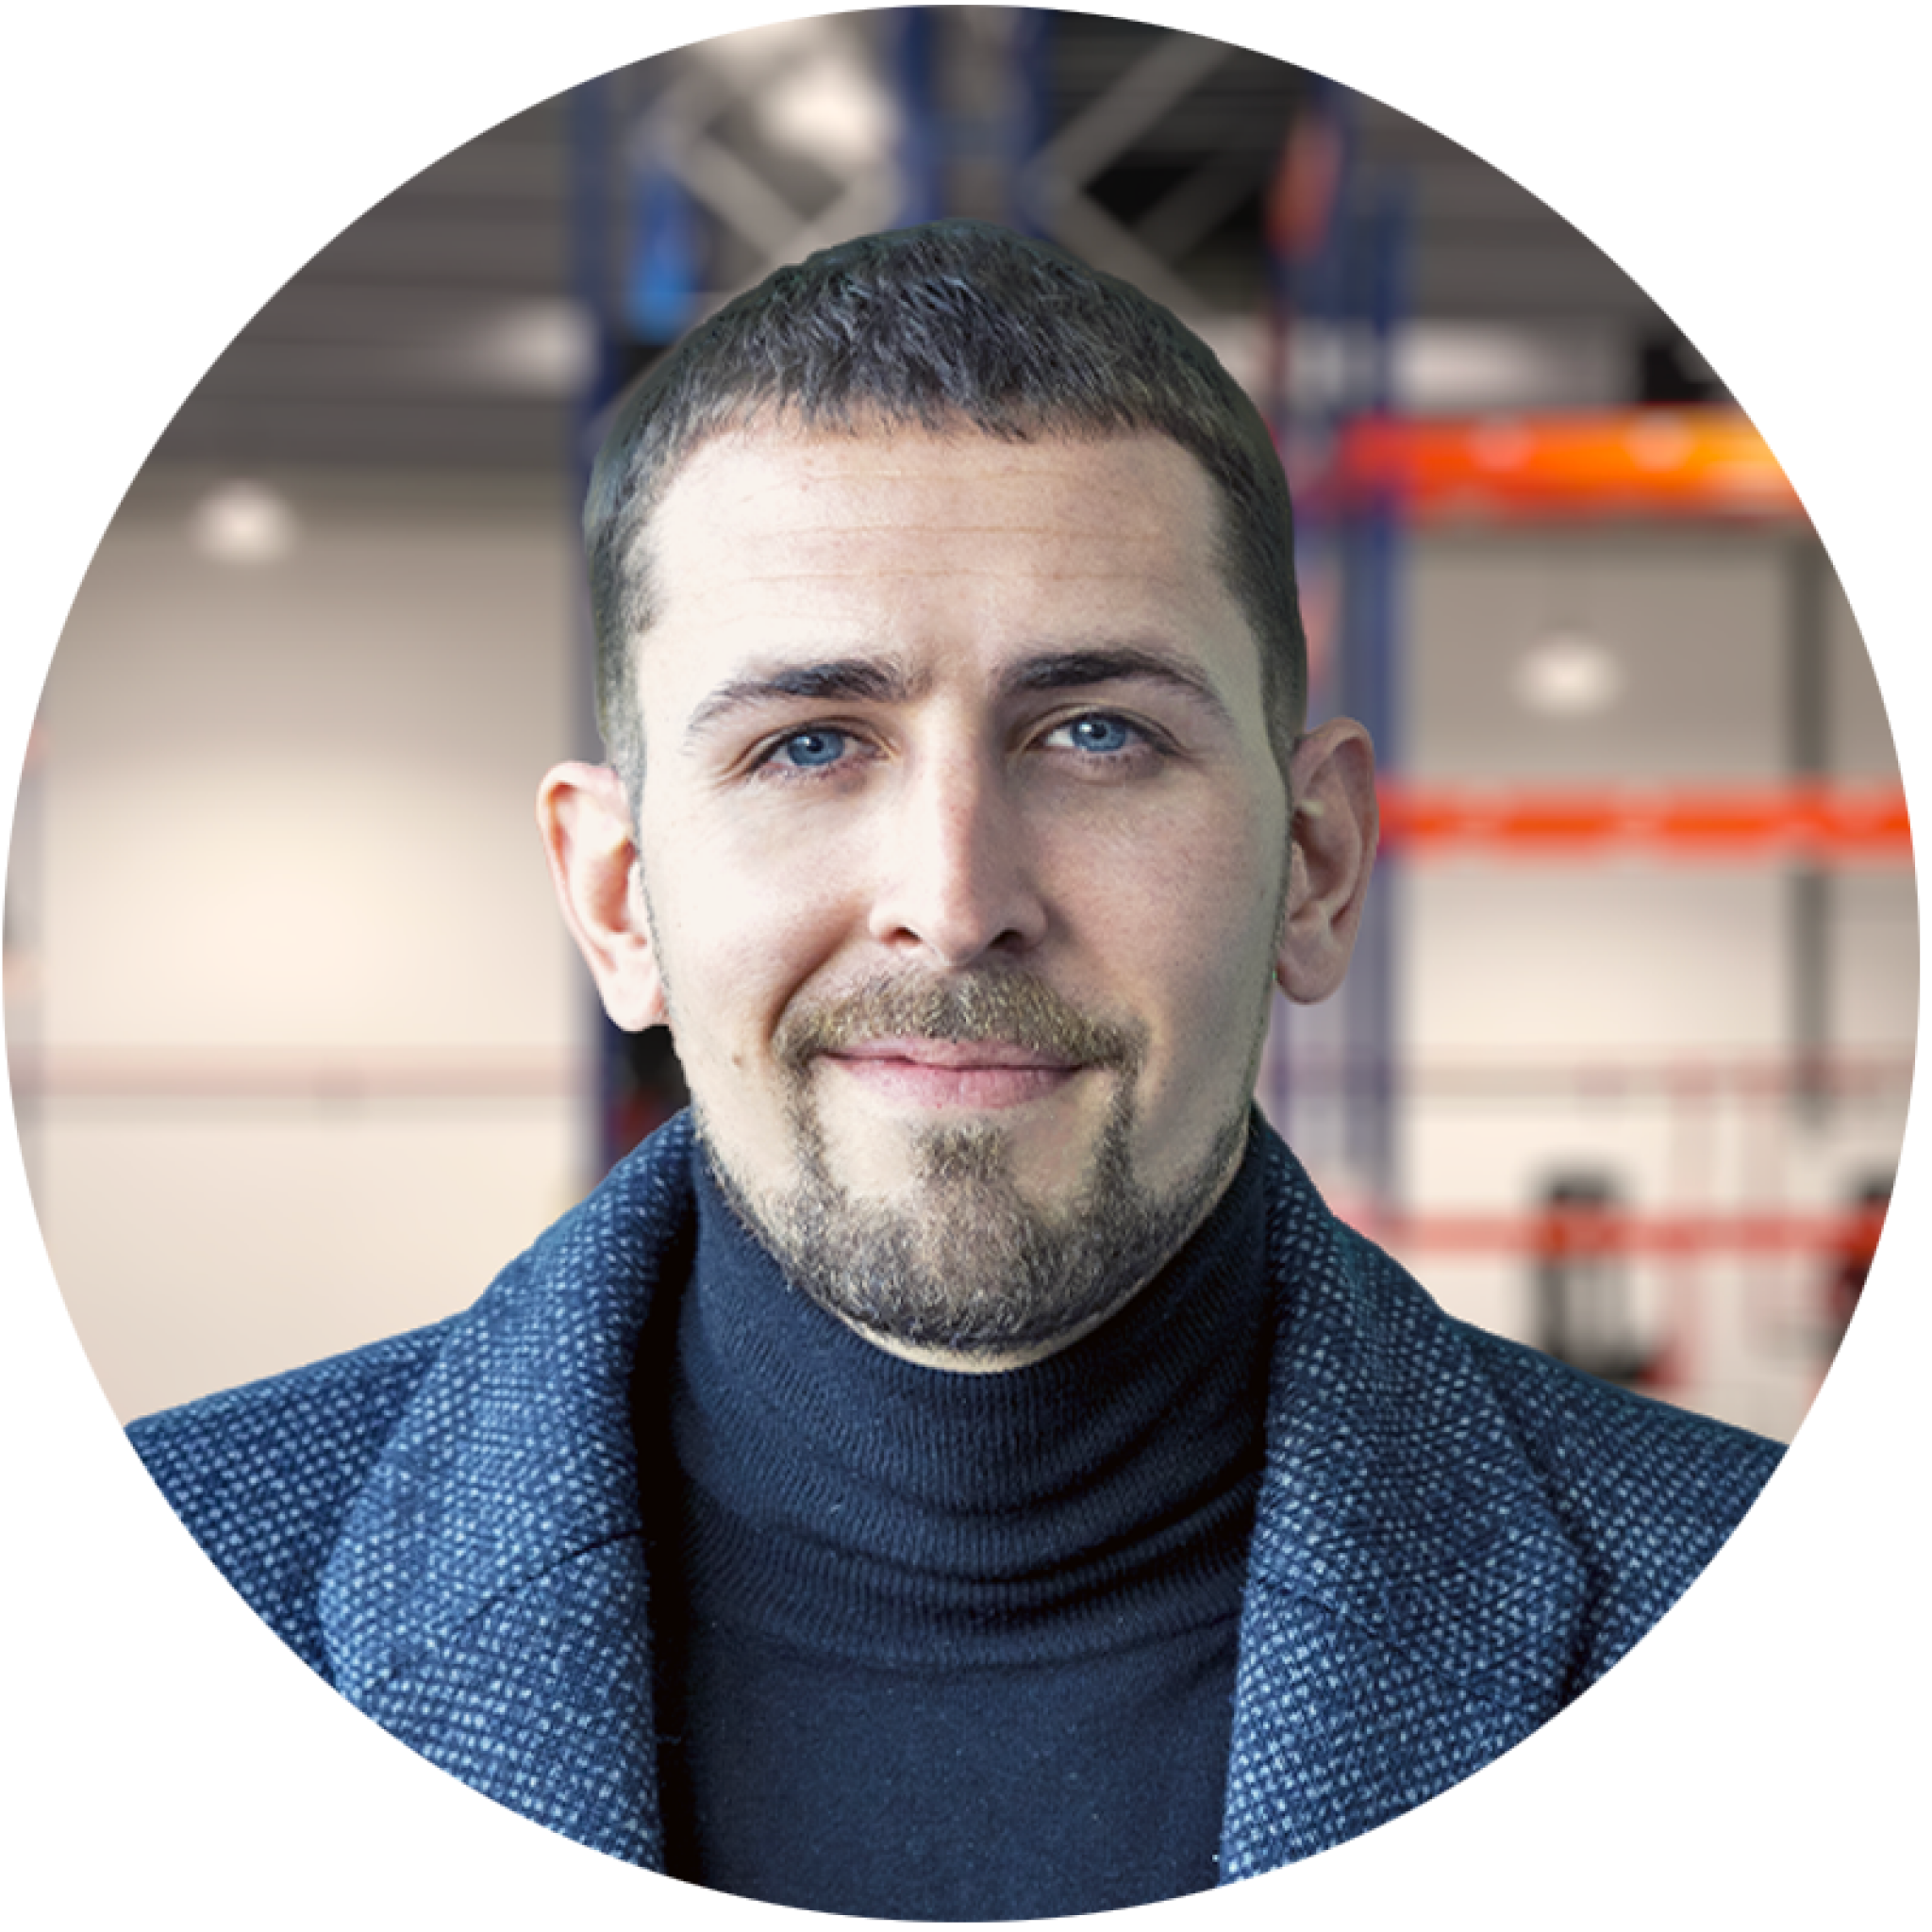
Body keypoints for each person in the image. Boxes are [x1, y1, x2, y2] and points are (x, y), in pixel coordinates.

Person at [124, 220, 1785, 1910]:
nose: (956, 900)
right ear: (619, 901)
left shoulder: (1690, 1560)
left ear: (1315, 866)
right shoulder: (221, 1544)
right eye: (810, 745)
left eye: (1097, 734)